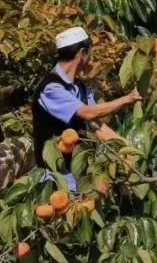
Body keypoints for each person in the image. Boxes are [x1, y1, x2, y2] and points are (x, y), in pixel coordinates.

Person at [33, 27, 141, 191]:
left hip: (80, 172)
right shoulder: (50, 88)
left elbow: (97, 126)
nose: (92, 58)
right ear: (82, 53)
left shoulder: (81, 88)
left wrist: (130, 150)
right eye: (90, 52)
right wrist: (127, 99)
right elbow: (87, 113)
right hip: (56, 176)